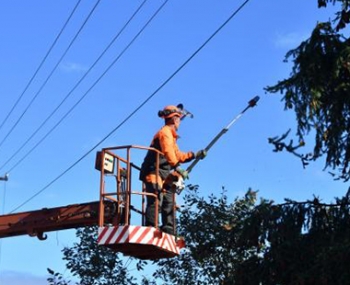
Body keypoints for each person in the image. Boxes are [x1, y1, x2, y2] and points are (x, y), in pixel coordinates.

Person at [139, 104, 206, 234]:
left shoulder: (171, 136)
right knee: (155, 198)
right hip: (154, 170)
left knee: (169, 196)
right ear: (175, 119)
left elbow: (177, 154)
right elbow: (168, 152)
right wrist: (177, 167)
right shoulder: (165, 132)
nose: (180, 122)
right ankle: (151, 227)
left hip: (163, 172)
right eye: (179, 119)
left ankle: (168, 228)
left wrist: (194, 155)